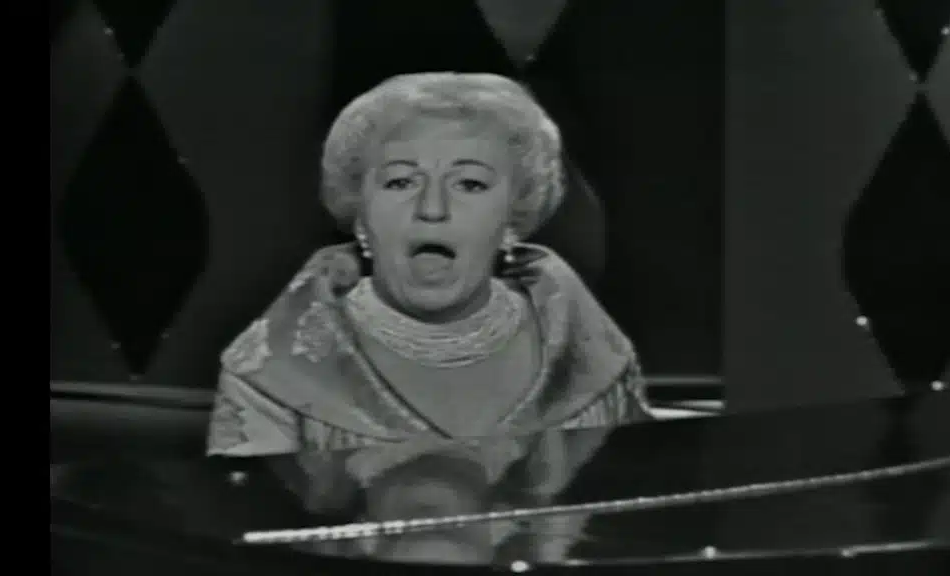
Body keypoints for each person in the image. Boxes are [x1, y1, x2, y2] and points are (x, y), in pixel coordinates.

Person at [205, 72, 652, 463]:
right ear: (360, 214)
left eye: (470, 184)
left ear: (513, 218)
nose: (432, 208)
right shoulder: (271, 374)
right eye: (401, 181)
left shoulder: (592, 360)